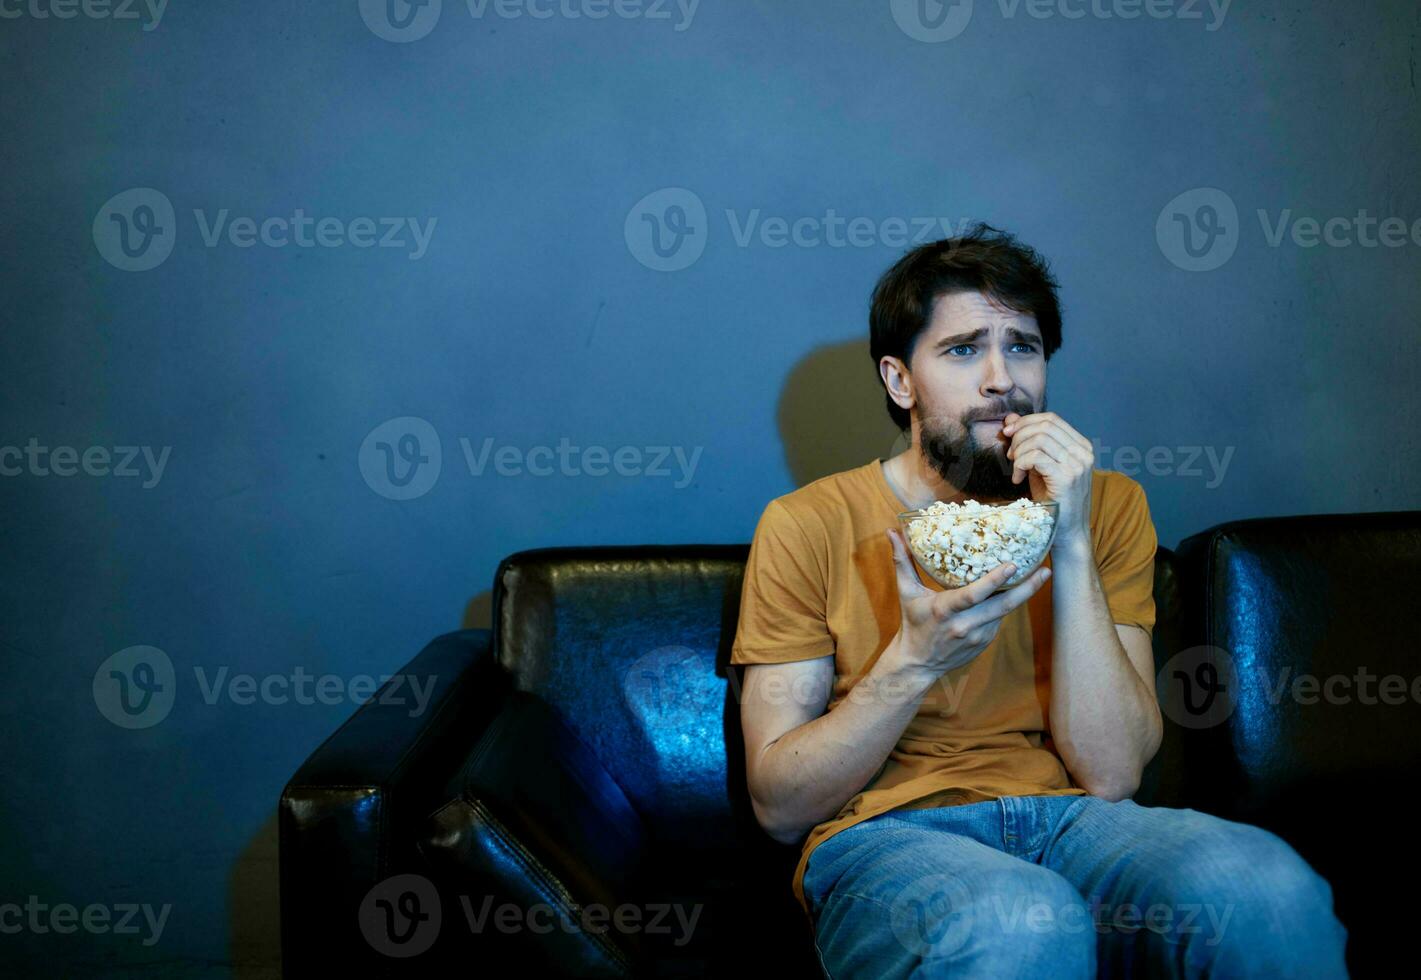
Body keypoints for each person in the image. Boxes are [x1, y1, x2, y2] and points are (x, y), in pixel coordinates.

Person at [729, 224, 1348, 977]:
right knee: (1021, 921)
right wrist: (912, 665)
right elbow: (780, 805)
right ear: (899, 381)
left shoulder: (1107, 506)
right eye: (962, 350)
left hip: (1074, 821)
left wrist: (1071, 535)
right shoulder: (806, 524)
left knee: (1265, 887)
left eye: (1021, 346)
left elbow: (1114, 773)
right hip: (887, 835)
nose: (1001, 379)